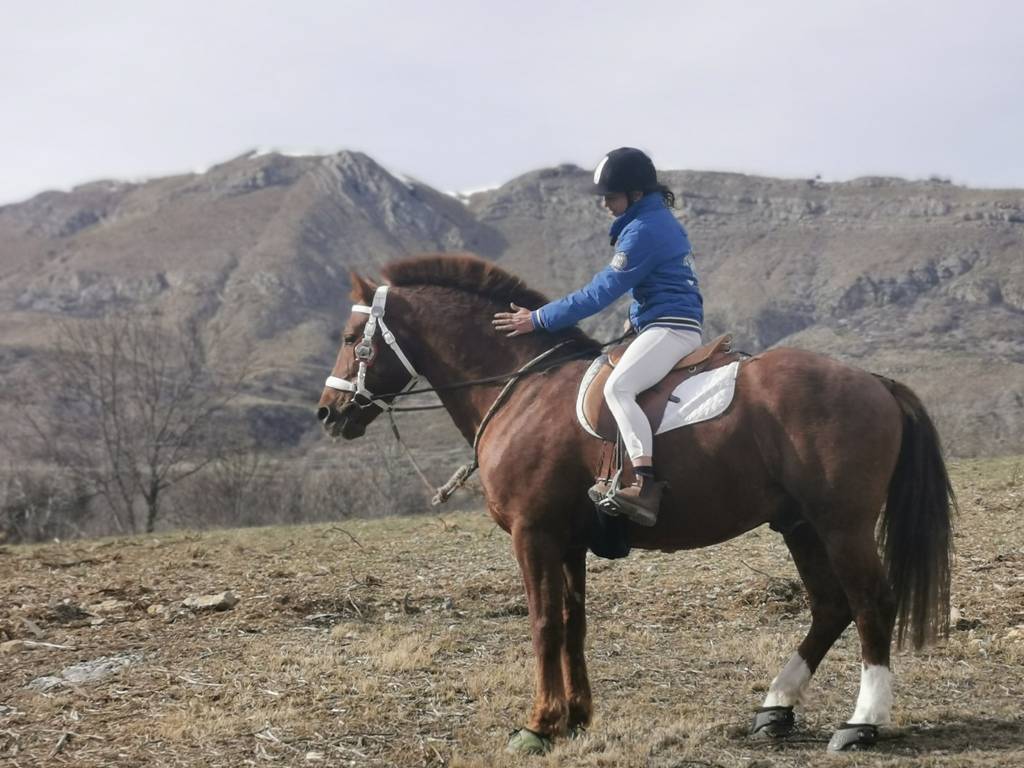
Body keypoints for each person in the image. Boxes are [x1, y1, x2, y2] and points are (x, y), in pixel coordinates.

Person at [492, 147, 703, 526]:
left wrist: (538, 319)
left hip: (671, 328)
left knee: (618, 389)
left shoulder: (643, 230)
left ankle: (645, 484)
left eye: (611, 196)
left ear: (635, 194)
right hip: (664, 322)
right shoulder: (654, 221)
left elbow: (599, 293)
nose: (605, 204)